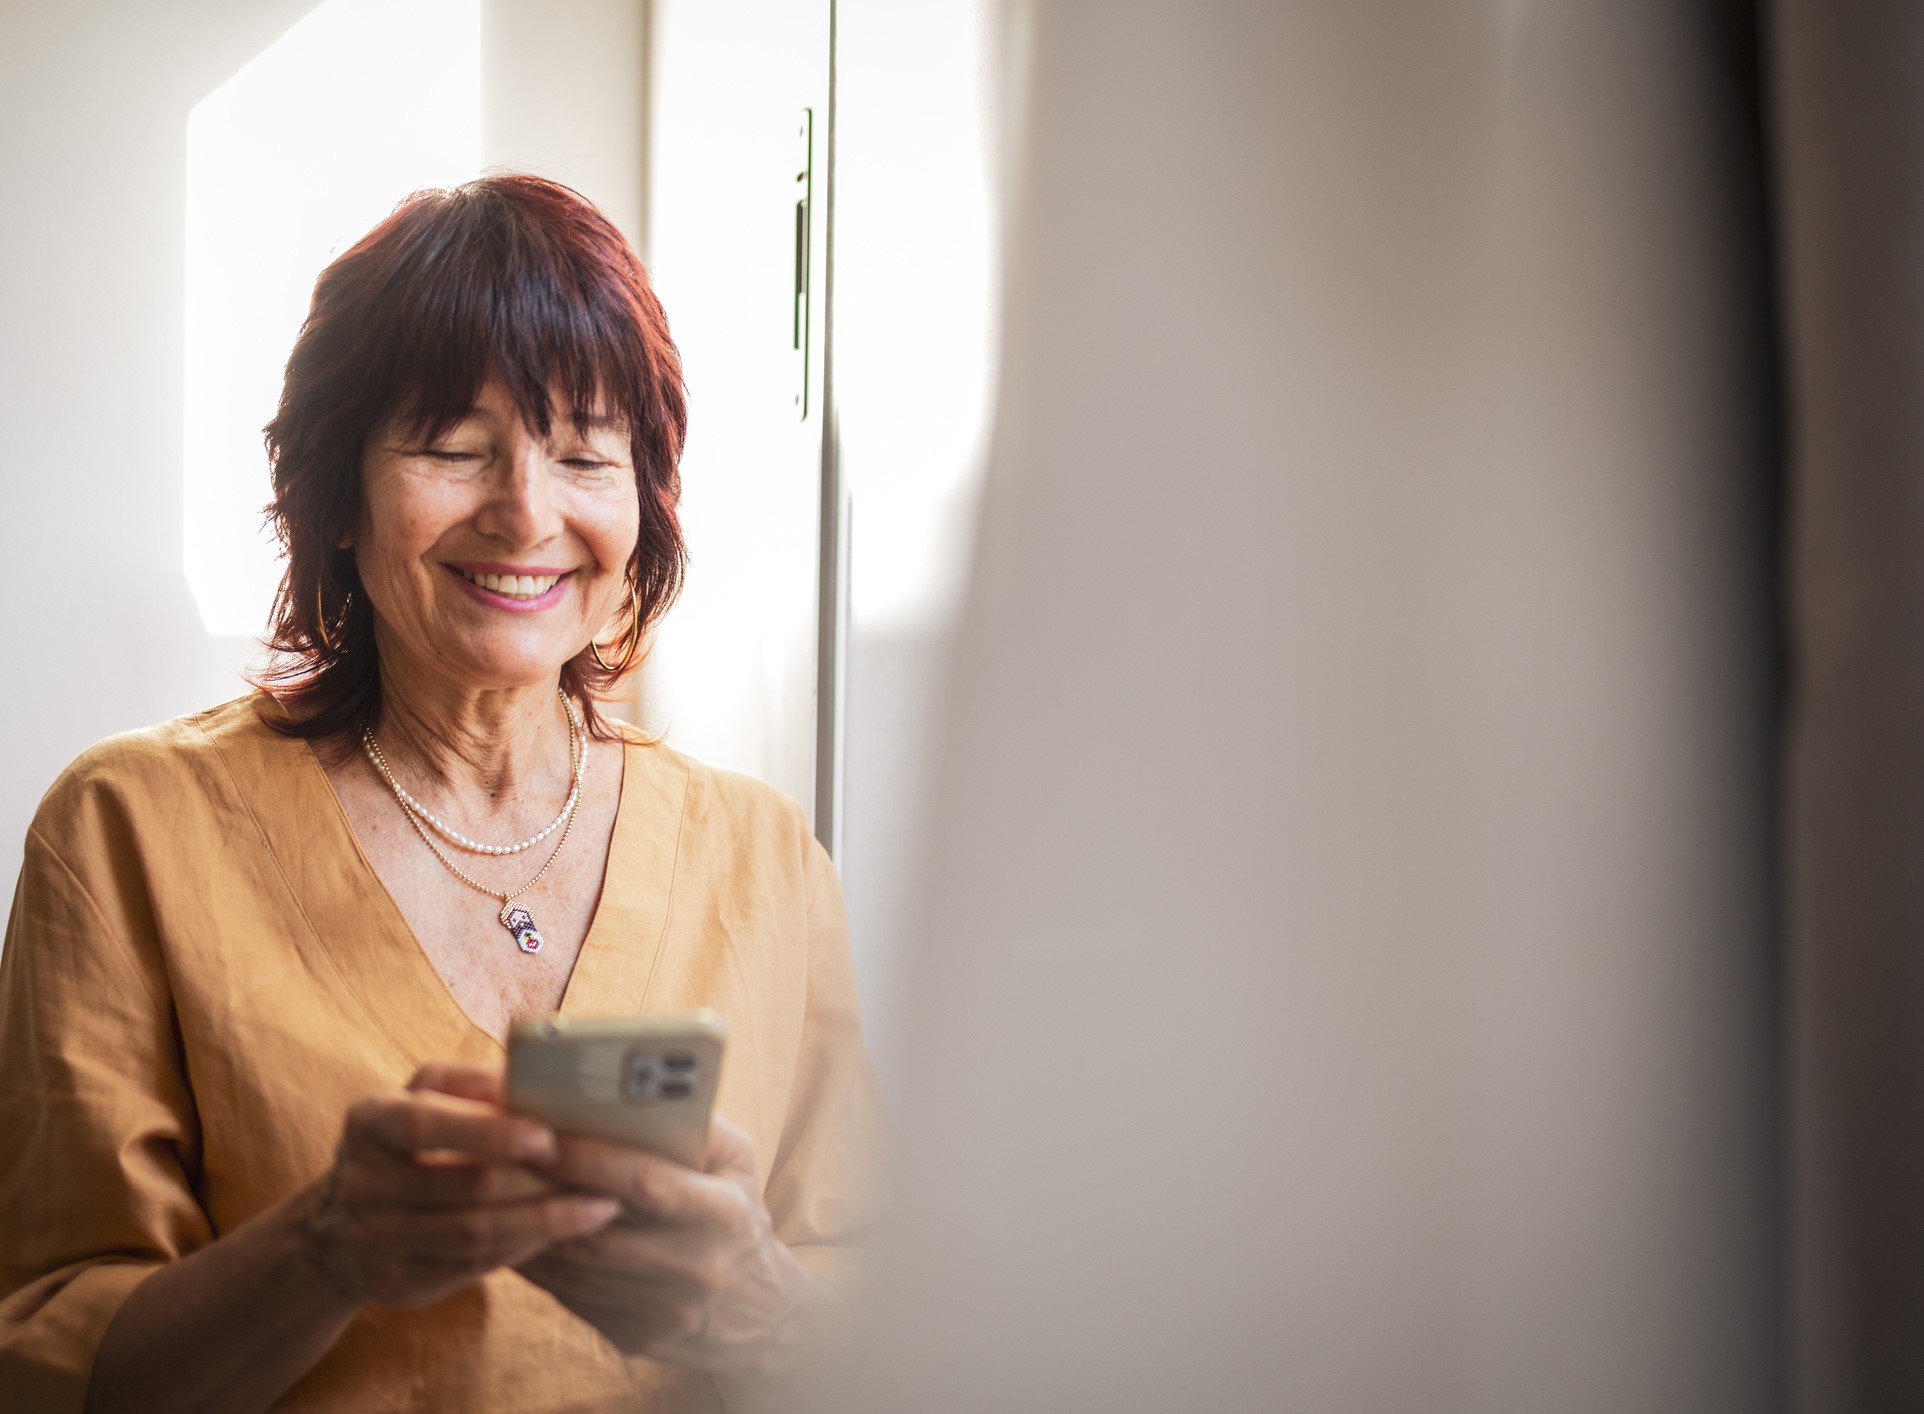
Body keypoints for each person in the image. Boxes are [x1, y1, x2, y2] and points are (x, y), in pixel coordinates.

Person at [0, 175, 879, 1413]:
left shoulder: (765, 854)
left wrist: (754, 1298)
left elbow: (892, 1339)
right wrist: (325, 1252)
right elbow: (50, 1363)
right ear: (336, 494)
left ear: (643, 505)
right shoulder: (126, 828)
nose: (525, 513)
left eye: (586, 453)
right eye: (454, 448)